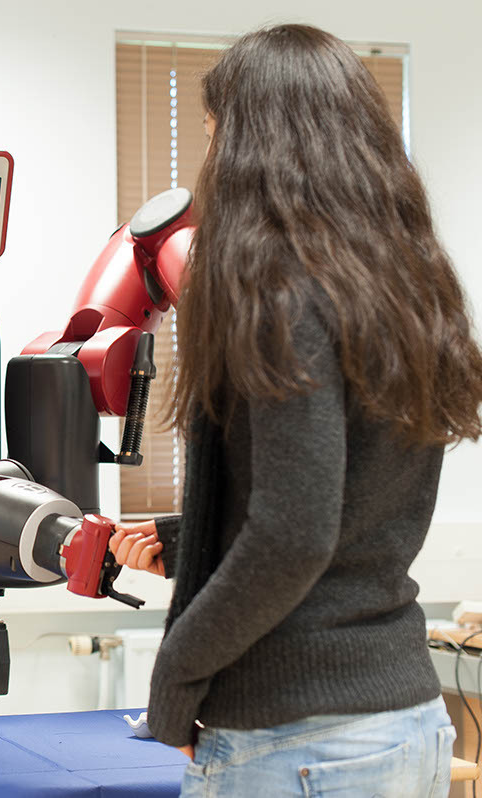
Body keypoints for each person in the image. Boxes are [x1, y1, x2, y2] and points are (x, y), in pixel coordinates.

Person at [107, 23, 482, 798]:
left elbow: (295, 534)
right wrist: (198, 537)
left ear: (251, 144)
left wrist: (176, 678)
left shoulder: (280, 291)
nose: (207, 160)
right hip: (405, 719)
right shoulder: (402, 286)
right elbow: (345, 502)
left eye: (211, 133)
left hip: (299, 740)